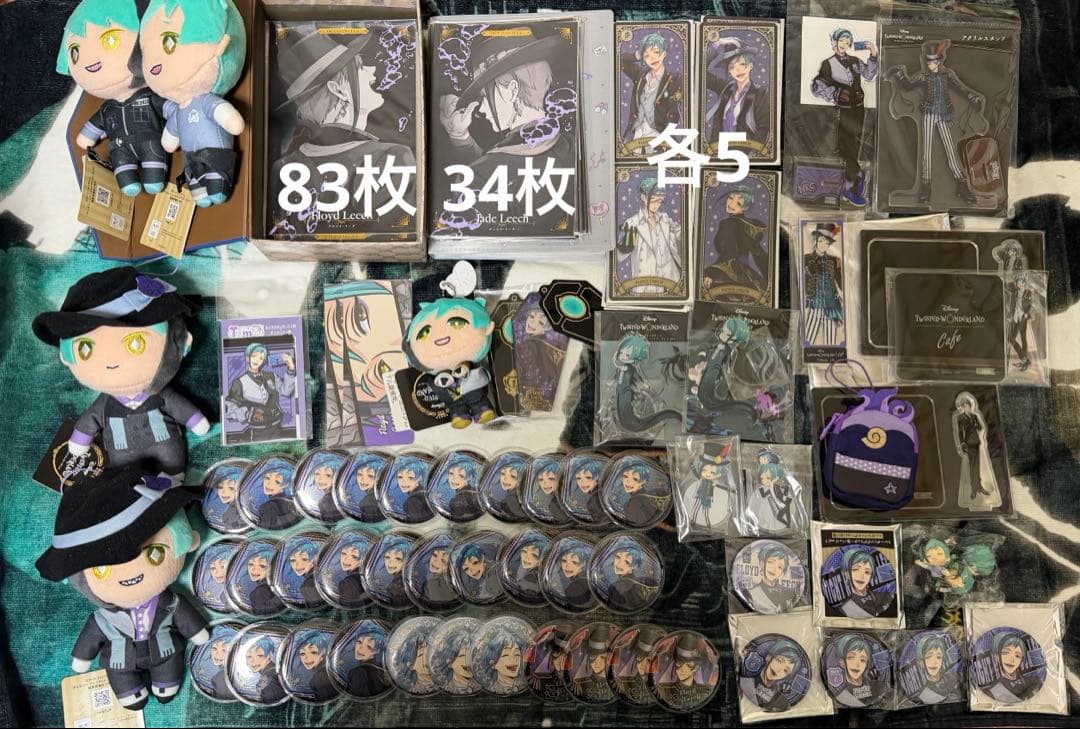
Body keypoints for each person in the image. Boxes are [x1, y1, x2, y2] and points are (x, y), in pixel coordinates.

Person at [32, 268, 210, 479]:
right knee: (125, 483)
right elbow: (90, 420)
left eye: (135, 343)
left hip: (167, 457)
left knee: (171, 473)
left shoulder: (161, 394)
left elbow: (181, 408)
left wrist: (195, 420)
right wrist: (80, 439)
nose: (111, 362)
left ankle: (172, 482)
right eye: (85, 349)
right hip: (123, 466)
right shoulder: (104, 404)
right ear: (66, 356)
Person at [268, 27, 417, 234]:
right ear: (338, 89)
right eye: (360, 66)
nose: (372, 70)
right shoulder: (391, 158)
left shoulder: (283, 167)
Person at [435, 28, 575, 232]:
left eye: (484, 96)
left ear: (512, 90)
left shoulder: (483, 175)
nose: (481, 109)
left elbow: (488, 172)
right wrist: (460, 136)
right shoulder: (574, 147)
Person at [140, 0, 247, 206]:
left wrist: (231, 119)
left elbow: (229, 118)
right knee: (195, 186)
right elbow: (170, 137)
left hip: (215, 155)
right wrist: (168, 140)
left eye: (170, 41)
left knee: (217, 187)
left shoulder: (205, 100)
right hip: (189, 160)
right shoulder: (178, 109)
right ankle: (201, 193)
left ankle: (217, 187)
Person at [59, 0, 169, 196]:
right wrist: (87, 137)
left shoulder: (148, 97)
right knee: (125, 181)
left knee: (154, 175)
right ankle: (129, 183)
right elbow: (86, 136)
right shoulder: (107, 108)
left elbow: (172, 110)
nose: (90, 60)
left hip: (150, 141)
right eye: (75, 51)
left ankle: (154, 178)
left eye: (110, 40)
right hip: (119, 148)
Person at [888, 40, 982, 205]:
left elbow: (960, 88)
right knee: (927, 152)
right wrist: (901, 75)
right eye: (928, 61)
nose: (930, 64)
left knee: (950, 150)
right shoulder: (923, 77)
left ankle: (962, 185)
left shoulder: (947, 75)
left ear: (939, 61)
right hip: (929, 114)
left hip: (944, 114)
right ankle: (926, 187)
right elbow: (909, 87)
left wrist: (971, 96)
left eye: (933, 61)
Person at [811, 27, 878, 206]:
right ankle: (854, 181)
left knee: (855, 145)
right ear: (834, 42)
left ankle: (852, 183)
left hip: (859, 108)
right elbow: (817, 86)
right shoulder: (828, 63)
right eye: (842, 40)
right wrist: (836, 93)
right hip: (842, 111)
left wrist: (873, 55)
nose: (845, 44)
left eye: (848, 42)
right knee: (845, 147)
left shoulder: (855, 60)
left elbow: (869, 74)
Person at [616, 178, 683, 296]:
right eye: (653, 200)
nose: (657, 204)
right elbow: (620, 256)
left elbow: (684, 236)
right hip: (646, 281)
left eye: (660, 200)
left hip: (671, 277)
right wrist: (626, 243)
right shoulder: (632, 223)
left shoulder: (665, 219)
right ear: (643, 197)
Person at [702, 186, 769, 300]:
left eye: (738, 203)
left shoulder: (729, 223)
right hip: (746, 275)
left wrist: (712, 273)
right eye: (730, 198)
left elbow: (729, 254)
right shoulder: (745, 225)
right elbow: (758, 254)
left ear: (745, 208)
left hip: (731, 272)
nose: (731, 204)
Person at [224, 343, 297, 443]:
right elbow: (228, 407)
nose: (257, 360)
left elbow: (286, 391)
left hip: (276, 426)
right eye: (254, 356)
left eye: (261, 358)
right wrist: (247, 414)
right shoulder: (239, 382)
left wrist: (291, 368)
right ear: (247, 358)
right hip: (258, 431)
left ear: (264, 361)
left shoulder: (271, 376)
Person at [704, 37, 769, 150]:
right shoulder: (725, 88)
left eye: (742, 64)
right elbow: (699, 73)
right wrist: (716, 44)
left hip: (745, 152)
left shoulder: (762, 94)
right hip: (719, 150)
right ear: (729, 71)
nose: (737, 70)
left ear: (750, 65)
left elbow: (763, 130)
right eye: (732, 66)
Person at [621, 32, 682, 149]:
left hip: (659, 133)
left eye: (656, 52)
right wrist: (637, 55)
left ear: (664, 54)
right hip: (637, 132)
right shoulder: (640, 75)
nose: (652, 58)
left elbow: (674, 113)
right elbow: (620, 60)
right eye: (647, 55)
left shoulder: (674, 79)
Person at [802, 222, 844, 346]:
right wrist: (808, 270)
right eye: (821, 241)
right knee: (808, 337)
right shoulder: (806, 258)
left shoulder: (834, 261)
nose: (823, 245)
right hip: (814, 303)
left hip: (831, 304)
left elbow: (840, 282)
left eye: (827, 243)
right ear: (816, 241)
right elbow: (800, 279)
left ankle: (831, 357)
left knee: (830, 340)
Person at [739, 638, 804, 711]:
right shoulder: (746, 682)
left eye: (786, 670)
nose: (778, 670)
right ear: (768, 657)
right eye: (779, 661)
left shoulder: (781, 701)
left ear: (787, 676)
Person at [833, 547, 894, 618]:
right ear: (847, 574)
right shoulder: (844, 609)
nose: (862, 576)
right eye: (856, 569)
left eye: (867, 572)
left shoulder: (887, 597)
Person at [983, 631, 1041, 703]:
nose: (1012, 660)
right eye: (1006, 653)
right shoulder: (992, 692)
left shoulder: (1035, 681)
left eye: (1017, 656)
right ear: (995, 656)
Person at [829, 633, 886, 707]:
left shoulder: (878, 686)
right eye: (850, 657)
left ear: (867, 664)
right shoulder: (841, 692)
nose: (857, 664)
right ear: (842, 662)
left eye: (862, 660)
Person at [747, 543, 800, 613]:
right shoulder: (752, 593)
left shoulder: (788, 593)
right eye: (771, 562)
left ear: (782, 573)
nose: (774, 569)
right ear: (762, 563)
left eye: (780, 567)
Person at [909, 633, 960, 704]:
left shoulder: (952, 678)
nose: (934, 662)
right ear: (921, 661)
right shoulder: (918, 688)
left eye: (939, 657)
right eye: (929, 657)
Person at [345, 627, 391, 698]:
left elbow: (355, 701)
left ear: (377, 651)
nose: (360, 648)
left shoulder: (358, 673)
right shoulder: (383, 668)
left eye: (369, 646)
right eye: (359, 642)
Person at [291, 632, 336, 702]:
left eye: (313, 652)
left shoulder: (320, 678)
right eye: (302, 653)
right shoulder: (326, 671)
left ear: (323, 651)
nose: (307, 658)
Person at [246, 636, 286, 704]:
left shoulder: (268, 680)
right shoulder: (274, 671)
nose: (253, 661)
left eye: (259, 655)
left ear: (269, 656)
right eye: (249, 656)